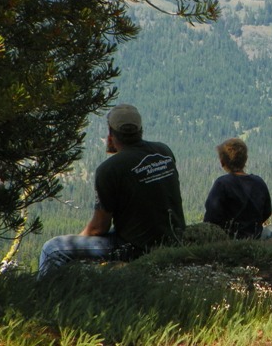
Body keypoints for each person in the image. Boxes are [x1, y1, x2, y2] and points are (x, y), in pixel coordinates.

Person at [38, 104, 185, 277]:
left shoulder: (109, 169)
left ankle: (43, 297)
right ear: (140, 130)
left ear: (111, 133)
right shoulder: (164, 150)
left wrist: (77, 241)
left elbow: (99, 228)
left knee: (53, 249)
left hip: (136, 247)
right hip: (174, 238)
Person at [203, 138, 272, 239]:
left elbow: (211, 217)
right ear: (245, 160)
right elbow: (267, 211)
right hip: (256, 237)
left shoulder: (222, 184)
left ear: (222, 162)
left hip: (228, 241)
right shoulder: (259, 182)